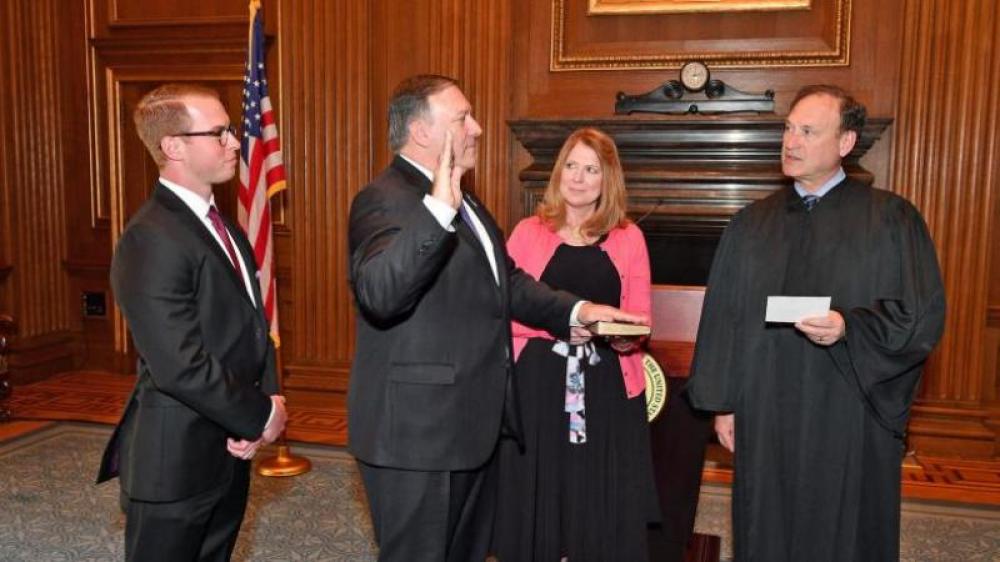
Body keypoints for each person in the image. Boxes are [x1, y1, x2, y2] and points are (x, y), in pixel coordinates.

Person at [347, 75, 644, 562]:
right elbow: (380, 293)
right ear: (422, 132)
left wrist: (578, 309)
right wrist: (437, 213)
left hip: (470, 426)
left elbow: (510, 282)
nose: (478, 129)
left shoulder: (469, 204)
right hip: (416, 436)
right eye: (463, 118)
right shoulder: (384, 198)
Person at [686, 84, 946, 562]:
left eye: (808, 131)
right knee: (767, 527)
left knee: (842, 530)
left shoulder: (891, 220)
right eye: (789, 128)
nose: (792, 141)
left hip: (847, 413)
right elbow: (724, 317)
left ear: (845, 143)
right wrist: (724, 405)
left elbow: (918, 315)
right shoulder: (750, 224)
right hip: (766, 411)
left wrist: (850, 326)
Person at [96, 83, 288, 562]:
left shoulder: (223, 227)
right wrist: (259, 416)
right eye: (219, 133)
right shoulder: (150, 237)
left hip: (228, 450)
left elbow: (252, 327)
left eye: (231, 131)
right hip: (175, 465)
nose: (233, 142)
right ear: (173, 146)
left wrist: (270, 398)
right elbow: (179, 364)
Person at [491, 127, 659, 561]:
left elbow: (640, 318)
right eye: (571, 165)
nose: (579, 178)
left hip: (607, 390)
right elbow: (500, 313)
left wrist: (623, 341)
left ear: (608, 181)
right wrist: (561, 327)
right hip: (538, 388)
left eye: (591, 169)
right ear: (558, 172)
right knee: (542, 493)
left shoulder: (628, 237)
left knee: (597, 495)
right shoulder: (528, 232)